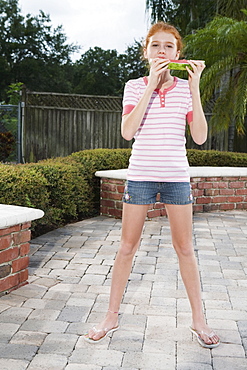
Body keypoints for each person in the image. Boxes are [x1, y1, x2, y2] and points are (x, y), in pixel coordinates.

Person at [84, 21, 220, 349]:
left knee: (185, 248)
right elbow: (127, 132)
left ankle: (198, 320)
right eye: (156, 45)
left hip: (175, 176)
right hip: (141, 175)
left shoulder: (186, 91)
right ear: (146, 52)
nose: (162, 50)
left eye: (169, 46)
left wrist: (195, 87)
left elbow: (200, 137)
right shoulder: (133, 87)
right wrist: (150, 86)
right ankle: (111, 315)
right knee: (126, 247)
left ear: (178, 53)